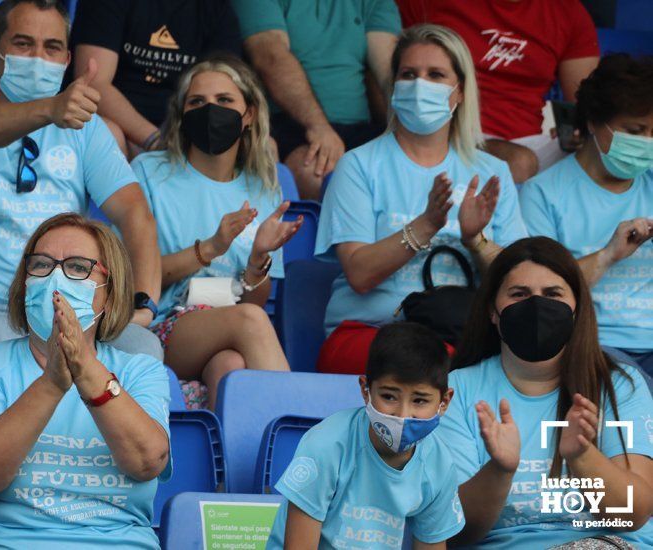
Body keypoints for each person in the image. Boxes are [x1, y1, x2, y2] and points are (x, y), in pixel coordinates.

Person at [0, 0, 163, 358]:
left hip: (58, 313)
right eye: (23, 44)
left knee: (142, 348)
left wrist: (143, 303)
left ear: (66, 61)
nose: (38, 57)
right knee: (5, 343)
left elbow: (135, 214)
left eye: (51, 47)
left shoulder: (86, 131)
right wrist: (49, 110)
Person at [0, 212, 170, 548]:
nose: (55, 280)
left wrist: (84, 366)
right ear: (25, 281)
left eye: (78, 268)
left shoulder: (141, 371)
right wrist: (51, 384)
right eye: (41, 265)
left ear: (109, 294)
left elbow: (146, 461)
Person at [315, 24, 526, 375]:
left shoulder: (493, 172)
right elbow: (360, 273)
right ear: (393, 87)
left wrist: (476, 241)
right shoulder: (359, 165)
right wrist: (426, 225)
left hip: (459, 335)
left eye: (435, 75)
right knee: (446, 371)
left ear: (459, 92)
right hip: (370, 333)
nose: (419, 85)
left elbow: (517, 283)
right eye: (408, 74)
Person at [439, 237, 653, 548]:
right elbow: (454, 532)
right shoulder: (456, 390)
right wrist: (500, 470)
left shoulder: (619, 384)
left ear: (577, 308)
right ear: (493, 311)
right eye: (519, 294)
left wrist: (582, 457)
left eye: (553, 294)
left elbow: (634, 512)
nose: (536, 306)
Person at [132, 55, 301, 409]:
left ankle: (226, 459)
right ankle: (301, 442)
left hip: (229, 326)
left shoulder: (264, 186)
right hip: (160, 324)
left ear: (249, 114)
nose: (211, 110)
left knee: (231, 369)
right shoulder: (150, 172)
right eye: (197, 102)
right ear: (181, 114)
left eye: (224, 101)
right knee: (252, 322)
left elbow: (252, 298)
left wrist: (258, 261)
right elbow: (133, 277)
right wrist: (209, 248)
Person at [267, 322, 464, 549]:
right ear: (365, 390)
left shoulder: (439, 465)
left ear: (444, 401)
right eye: (389, 396)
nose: (403, 415)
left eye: (419, 400)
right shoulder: (326, 445)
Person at [521, 54, 653, 376]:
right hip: (592, 346)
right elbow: (535, 293)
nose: (647, 143)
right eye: (635, 131)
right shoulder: (543, 193)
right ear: (594, 121)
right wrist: (608, 256)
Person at [398, 0, 600, 182]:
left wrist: (576, 130)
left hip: (533, 142)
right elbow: (390, 69)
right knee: (518, 162)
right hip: (452, 129)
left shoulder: (567, 10)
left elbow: (586, 101)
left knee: (599, 153)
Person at [231, 0, 401, 200]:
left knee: (397, 172)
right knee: (315, 175)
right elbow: (270, 57)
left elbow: (389, 70)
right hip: (291, 123)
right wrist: (318, 127)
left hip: (361, 127)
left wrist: (410, 130)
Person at [69, 0, 242, 156]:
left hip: (184, 126)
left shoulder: (217, 9)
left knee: (266, 146)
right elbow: (93, 84)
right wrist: (156, 141)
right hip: (118, 123)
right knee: (109, 136)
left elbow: (226, 86)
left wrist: (185, 141)